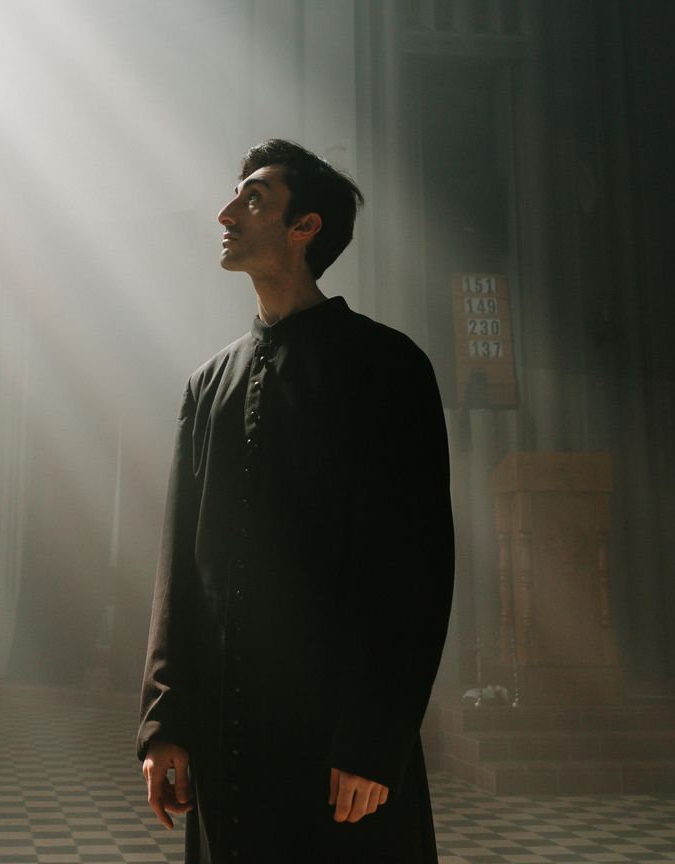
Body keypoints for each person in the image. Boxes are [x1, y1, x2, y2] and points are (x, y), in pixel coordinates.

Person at [139, 139, 455, 863]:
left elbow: (415, 571)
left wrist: (374, 742)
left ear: (305, 226)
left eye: (253, 198)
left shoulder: (388, 367)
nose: (226, 212)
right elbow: (179, 571)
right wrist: (166, 724)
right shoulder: (206, 386)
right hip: (229, 738)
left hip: (341, 747)